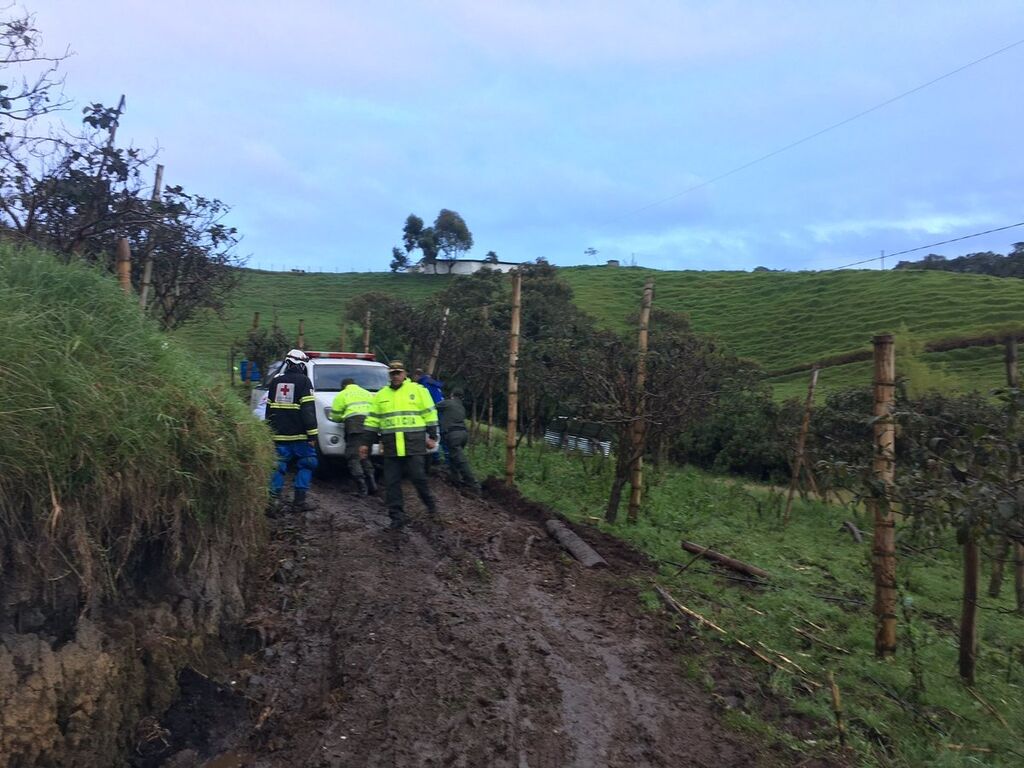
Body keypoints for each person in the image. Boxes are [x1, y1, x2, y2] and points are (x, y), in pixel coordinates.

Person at [360, 360, 439, 529]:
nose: (395, 376)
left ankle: (432, 508)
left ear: (404, 374)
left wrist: (433, 436)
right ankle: (397, 517)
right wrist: (365, 444)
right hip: (391, 447)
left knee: (418, 478)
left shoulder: (418, 391)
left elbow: (430, 414)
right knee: (392, 483)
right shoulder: (381, 396)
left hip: (414, 444)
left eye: (398, 373)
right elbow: (372, 421)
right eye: (392, 373)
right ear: (389, 375)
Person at [266, 349, 319, 512]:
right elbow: (308, 411)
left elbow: (268, 409)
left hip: (278, 435)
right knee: (308, 463)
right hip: (299, 437)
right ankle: (299, 502)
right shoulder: (304, 382)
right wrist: (313, 435)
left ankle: (272, 503)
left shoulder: (275, 382)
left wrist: (268, 432)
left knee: (278, 466)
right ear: (301, 364)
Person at [329, 377, 377, 496]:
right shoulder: (367, 393)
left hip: (355, 425)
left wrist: (340, 418)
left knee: (353, 456)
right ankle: (372, 484)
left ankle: (362, 488)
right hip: (370, 426)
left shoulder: (342, 394)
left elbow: (335, 416)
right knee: (364, 455)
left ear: (343, 386)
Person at [436, 389, 481, 496]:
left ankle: (473, 484)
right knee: (453, 458)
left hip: (453, 434)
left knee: (460, 460)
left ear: (452, 395)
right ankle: (455, 480)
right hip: (463, 434)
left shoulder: (448, 402)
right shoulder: (461, 407)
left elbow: (433, 406)